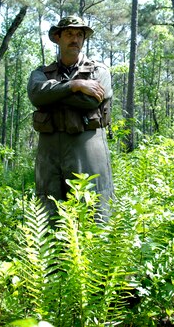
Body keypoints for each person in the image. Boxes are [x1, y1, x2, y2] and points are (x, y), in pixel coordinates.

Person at [27, 16, 114, 219]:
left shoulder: (98, 71)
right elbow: (36, 94)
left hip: (87, 149)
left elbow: (91, 101)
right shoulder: (41, 73)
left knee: (93, 210)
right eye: (69, 34)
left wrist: (52, 96)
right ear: (58, 38)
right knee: (49, 211)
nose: (75, 39)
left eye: (79, 35)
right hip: (49, 155)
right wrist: (75, 86)